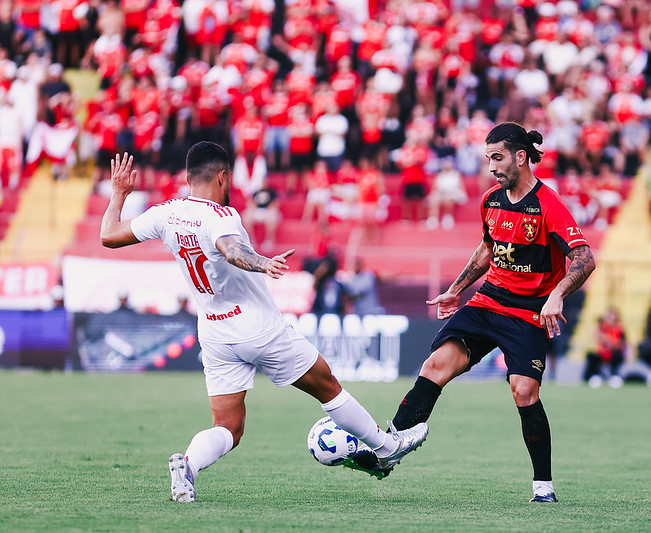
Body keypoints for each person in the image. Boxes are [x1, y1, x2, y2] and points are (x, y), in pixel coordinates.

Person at [99, 145, 428, 502]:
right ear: (223, 176)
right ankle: (386, 447)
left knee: (228, 427)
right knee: (327, 386)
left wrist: (118, 194)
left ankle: (189, 467)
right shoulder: (222, 215)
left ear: (188, 177)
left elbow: (109, 235)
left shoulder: (165, 213)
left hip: (214, 331)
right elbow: (230, 249)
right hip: (257, 327)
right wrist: (262, 263)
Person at [355, 123, 596, 502]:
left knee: (524, 391)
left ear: (520, 157)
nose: (492, 167)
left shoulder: (548, 205)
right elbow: (488, 249)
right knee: (435, 365)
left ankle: (543, 487)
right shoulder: (491, 201)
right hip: (488, 302)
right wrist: (456, 289)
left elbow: (584, 258)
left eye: (498, 158)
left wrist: (557, 295)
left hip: (529, 312)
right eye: (488, 159)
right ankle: (388, 451)